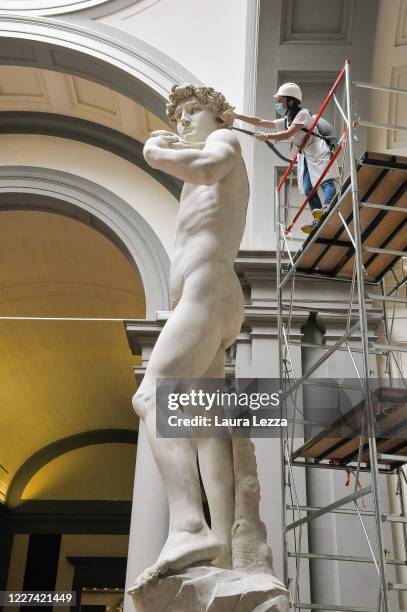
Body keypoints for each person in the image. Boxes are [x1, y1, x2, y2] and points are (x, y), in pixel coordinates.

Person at [129, 84, 249, 590]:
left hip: (207, 289)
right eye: (177, 116)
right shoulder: (200, 160)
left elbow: (204, 168)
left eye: (192, 111)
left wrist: (155, 152)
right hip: (207, 296)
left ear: (217, 114)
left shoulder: (225, 142)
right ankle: (223, 549)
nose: (182, 122)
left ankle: (187, 524)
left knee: (152, 395)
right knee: (204, 427)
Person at [224, 82, 339, 234]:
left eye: (280, 100)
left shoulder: (302, 114)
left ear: (290, 101)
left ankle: (328, 205)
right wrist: (237, 116)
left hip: (317, 148)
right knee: (308, 188)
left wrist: (267, 136)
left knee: (325, 180)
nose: (278, 104)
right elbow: (261, 122)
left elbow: (288, 134)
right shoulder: (286, 120)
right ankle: (318, 215)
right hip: (306, 153)